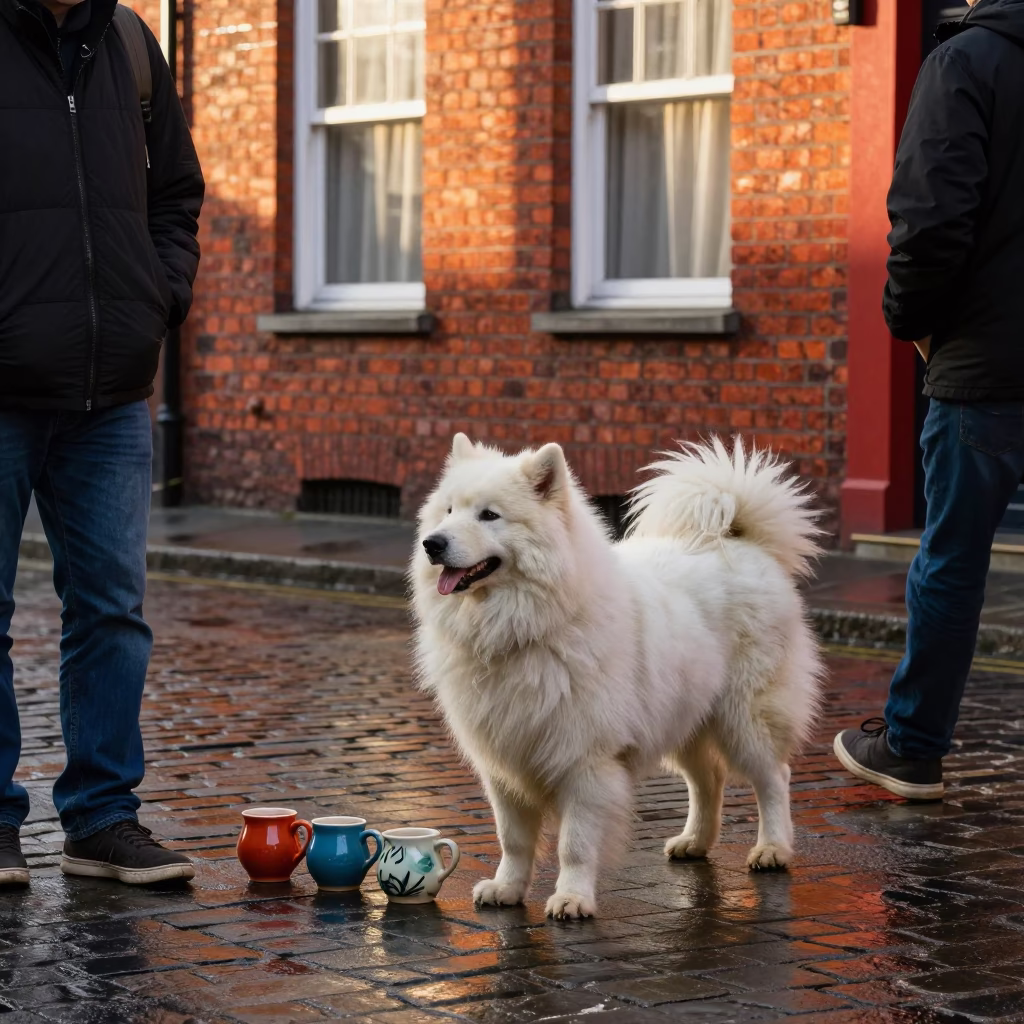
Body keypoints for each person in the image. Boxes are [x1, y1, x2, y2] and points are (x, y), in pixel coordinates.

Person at [0, 0, 204, 885]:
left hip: (113, 390)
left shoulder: (129, 42)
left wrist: (158, 298)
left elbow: (177, 192)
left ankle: (101, 819)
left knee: (113, 615)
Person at [834, 0, 1024, 800]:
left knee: (950, 564)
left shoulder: (965, 62)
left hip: (985, 371)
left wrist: (910, 323)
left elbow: (929, 219)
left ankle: (912, 749)